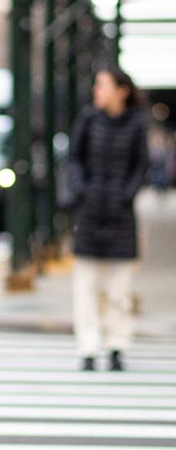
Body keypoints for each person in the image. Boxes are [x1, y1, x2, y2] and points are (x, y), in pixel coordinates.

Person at [67, 66, 149, 372]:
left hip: (121, 214)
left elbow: (141, 166)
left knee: (119, 287)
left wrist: (126, 195)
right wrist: (83, 191)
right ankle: (88, 348)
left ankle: (117, 345)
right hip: (89, 213)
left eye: (103, 85)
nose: (96, 90)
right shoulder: (88, 119)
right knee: (85, 285)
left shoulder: (137, 124)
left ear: (121, 91)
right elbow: (74, 160)